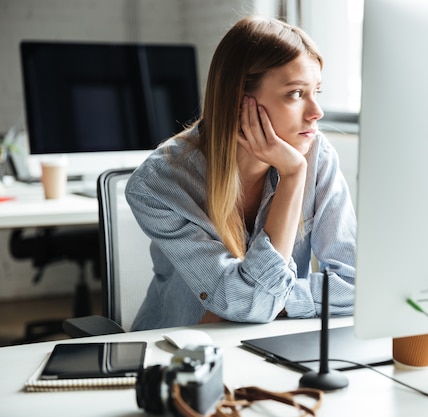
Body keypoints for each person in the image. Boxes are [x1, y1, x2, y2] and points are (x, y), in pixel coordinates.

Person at [126, 16, 357, 330]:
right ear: (239, 102)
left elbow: (357, 285)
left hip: (272, 345)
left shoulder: (318, 156)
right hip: (180, 356)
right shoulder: (158, 184)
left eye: (316, 91)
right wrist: (292, 177)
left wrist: (270, 301)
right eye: (295, 94)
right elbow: (254, 303)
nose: (317, 112)